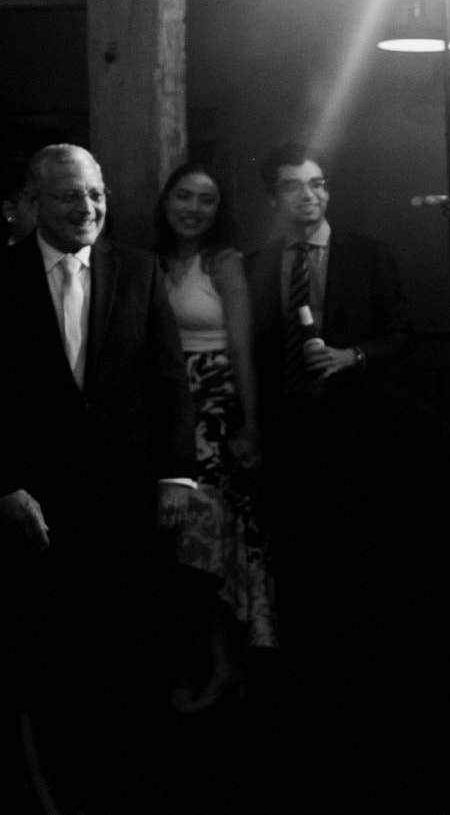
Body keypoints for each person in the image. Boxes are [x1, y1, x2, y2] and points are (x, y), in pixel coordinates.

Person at [0, 144, 197, 807]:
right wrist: (1, 487)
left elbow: (168, 384)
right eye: (71, 195)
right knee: (53, 661)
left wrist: (176, 478)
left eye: (96, 194)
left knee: (130, 655)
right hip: (37, 507)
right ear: (35, 201)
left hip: (126, 502)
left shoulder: (138, 270)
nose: (88, 207)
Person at [243, 143, 416, 806]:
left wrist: (351, 355)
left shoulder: (368, 255)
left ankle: (369, 709)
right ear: (275, 198)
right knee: (300, 576)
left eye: (317, 184)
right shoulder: (259, 267)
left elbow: (402, 330)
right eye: (293, 187)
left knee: (364, 575)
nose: (309, 196)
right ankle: (308, 717)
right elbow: (251, 352)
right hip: (289, 445)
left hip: (359, 441)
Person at [153, 163, 276, 710]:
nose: (194, 209)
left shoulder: (224, 263)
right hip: (170, 409)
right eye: (184, 196)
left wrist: (249, 424)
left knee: (216, 542)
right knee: (183, 546)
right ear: (166, 201)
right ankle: (212, 662)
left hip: (219, 412)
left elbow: (242, 347)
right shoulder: (149, 261)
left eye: (206, 200)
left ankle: (224, 664)